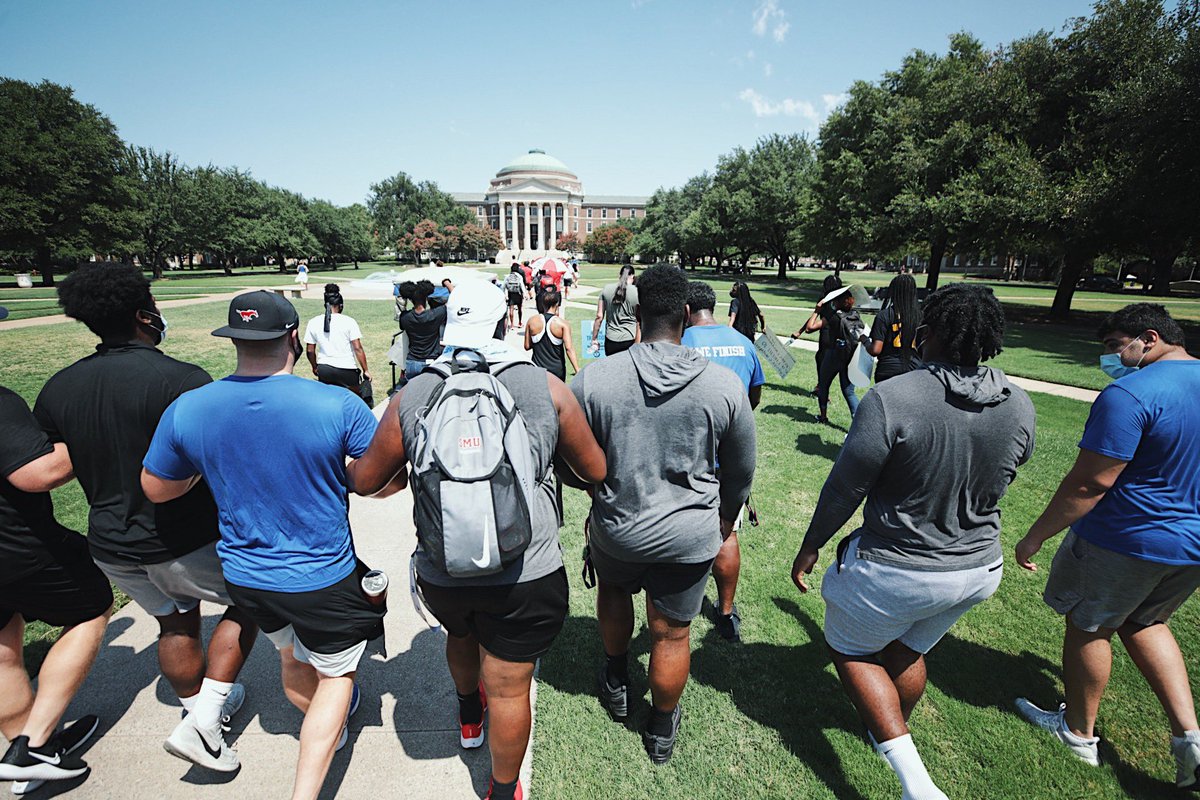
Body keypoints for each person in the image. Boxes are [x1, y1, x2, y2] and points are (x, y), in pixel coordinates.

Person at [347, 280, 606, 800]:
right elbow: (596, 469)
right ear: (502, 323)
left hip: (445, 564)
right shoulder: (543, 387)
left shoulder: (414, 392)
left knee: (460, 636)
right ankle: (504, 789)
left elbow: (365, 481)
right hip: (525, 569)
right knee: (510, 686)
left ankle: (469, 716)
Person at [141, 291, 389, 800]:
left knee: (289, 652)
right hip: (322, 573)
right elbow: (383, 485)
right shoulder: (336, 403)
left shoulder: (190, 407)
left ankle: (328, 730)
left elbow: (156, 487)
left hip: (245, 575)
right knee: (338, 675)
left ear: (234, 340)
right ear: (294, 338)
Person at [791, 284, 1035, 800]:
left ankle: (915, 782)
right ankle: (893, 729)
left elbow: (844, 488)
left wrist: (811, 546)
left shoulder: (890, 398)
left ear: (929, 334)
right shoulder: (1022, 405)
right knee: (903, 650)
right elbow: (1006, 474)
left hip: (899, 569)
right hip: (977, 571)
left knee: (853, 651)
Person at [34, 263, 258, 773]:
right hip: (185, 537)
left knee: (173, 620)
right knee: (254, 600)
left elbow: (61, 461)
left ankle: (194, 707)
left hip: (111, 544)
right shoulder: (181, 380)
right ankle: (203, 718)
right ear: (144, 314)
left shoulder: (59, 386)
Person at [572, 265, 757, 764]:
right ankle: (660, 728)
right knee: (671, 633)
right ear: (685, 314)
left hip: (618, 528)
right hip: (690, 533)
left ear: (634, 313)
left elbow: (565, 452)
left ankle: (616, 677)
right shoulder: (722, 385)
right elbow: (742, 471)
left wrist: (594, 490)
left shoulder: (594, 378)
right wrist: (725, 517)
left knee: (613, 593)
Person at [1013, 303, 1200, 789]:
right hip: (1190, 547)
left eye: (1116, 347)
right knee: (1146, 620)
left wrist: (1034, 537)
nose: (1112, 359)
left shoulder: (1130, 394)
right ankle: (1190, 739)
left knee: (1089, 626)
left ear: (1150, 338)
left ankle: (1077, 733)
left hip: (1127, 537)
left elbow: (1088, 486)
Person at [0, 386, 112, 791]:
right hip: (18, 549)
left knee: (3, 645)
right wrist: (81, 437)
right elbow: (40, 473)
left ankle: (23, 753)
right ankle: (35, 746)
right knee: (91, 609)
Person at [680, 281, 765, 642]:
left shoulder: (681, 343)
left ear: (685, 309)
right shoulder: (744, 344)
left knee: (682, 527)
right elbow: (755, 396)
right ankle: (726, 612)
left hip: (690, 453)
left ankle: (679, 602)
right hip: (731, 453)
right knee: (727, 532)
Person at [796, 288, 865, 423]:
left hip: (834, 354)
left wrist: (817, 310)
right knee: (849, 392)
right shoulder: (855, 314)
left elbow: (810, 328)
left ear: (838, 301)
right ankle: (858, 422)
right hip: (850, 356)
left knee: (823, 385)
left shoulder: (833, 316)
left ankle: (823, 417)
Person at [305, 284, 372, 406]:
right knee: (353, 403)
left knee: (329, 403)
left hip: (324, 369)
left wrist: (315, 367)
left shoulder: (313, 322)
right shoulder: (349, 321)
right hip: (347, 370)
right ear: (341, 305)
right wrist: (365, 370)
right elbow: (358, 348)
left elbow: (310, 351)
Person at [866, 274, 923, 383]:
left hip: (888, 371)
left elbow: (875, 350)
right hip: (914, 371)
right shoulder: (921, 316)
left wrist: (865, 341)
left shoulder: (884, 315)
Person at [525, 290, 581, 381]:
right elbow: (569, 349)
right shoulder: (563, 324)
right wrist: (577, 369)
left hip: (537, 369)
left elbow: (527, 346)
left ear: (542, 303)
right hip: (557, 371)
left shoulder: (532, 321)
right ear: (557, 304)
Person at [398, 280, 448, 381]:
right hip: (430, 363)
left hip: (412, 362)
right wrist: (447, 283)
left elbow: (402, 314)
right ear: (426, 299)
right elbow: (456, 299)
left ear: (411, 300)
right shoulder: (435, 315)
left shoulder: (404, 317)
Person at [591, 265, 639, 357]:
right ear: (632, 276)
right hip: (630, 339)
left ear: (619, 275)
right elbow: (640, 320)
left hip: (611, 339)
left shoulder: (606, 289)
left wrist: (594, 339)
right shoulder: (637, 292)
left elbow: (599, 317)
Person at [503, 266, 526, 331]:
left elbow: (503, 286)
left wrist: (504, 295)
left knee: (511, 309)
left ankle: (512, 324)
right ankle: (519, 322)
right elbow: (522, 285)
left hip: (511, 294)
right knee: (519, 309)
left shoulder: (507, 276)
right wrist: (525, 293)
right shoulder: (519, 276)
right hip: (518, 294)